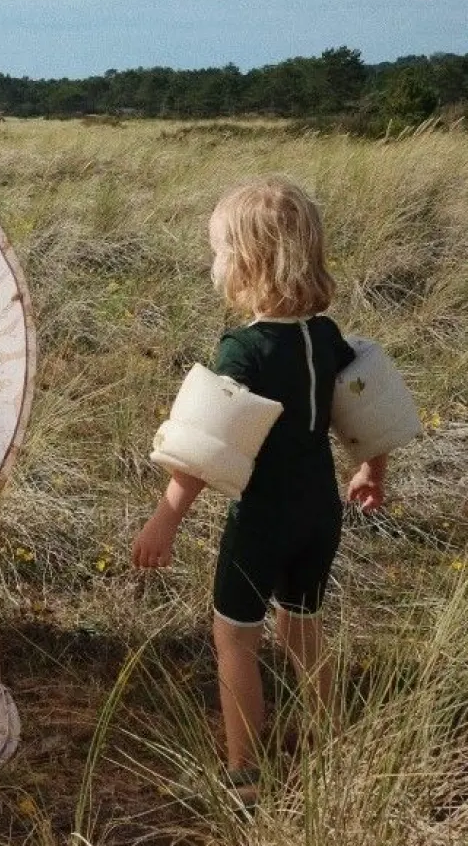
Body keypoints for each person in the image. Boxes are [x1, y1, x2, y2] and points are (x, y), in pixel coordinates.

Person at [132, 177, 387, 797]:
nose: (213, 261)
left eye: (219, 251)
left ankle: (243, 771)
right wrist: (372, 470)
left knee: (234, 639)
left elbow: (203, 448)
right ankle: (330, 740)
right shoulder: (325, 337)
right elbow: (366, 411)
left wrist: (164, 520)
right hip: (319, 512)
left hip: (263, 520)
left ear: (248, 262)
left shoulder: (242, 351)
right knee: (303, 623)